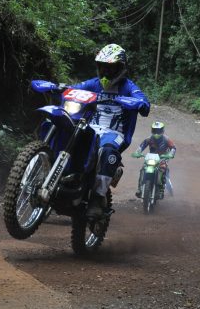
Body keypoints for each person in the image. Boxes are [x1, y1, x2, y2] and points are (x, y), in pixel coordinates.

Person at [71, 43, 150, 217]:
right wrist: (61, 89)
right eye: (102, 67)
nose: (105, 72)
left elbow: (144, 103)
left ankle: (98, 197)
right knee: (69, 137)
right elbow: (75, 88)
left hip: (115, 133)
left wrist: (140, 103)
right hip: (90, 128)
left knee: (107, 151)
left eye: (110, 68)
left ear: (120, 68)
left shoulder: (128, 87)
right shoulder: (94, 84)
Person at [131, 121, 176, 198]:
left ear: (162, 131)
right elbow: (141, 147)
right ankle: (140, 189)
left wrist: (170, 154)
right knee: (143, 170)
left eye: (158, 131)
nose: (156, 133)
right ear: (152, 130)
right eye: (155, 131)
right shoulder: (149, 139)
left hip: (163, 158)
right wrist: (137, 152)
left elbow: (173, 148)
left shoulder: (167, 139)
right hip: (151, 158)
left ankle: (161, 190)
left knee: (163, 169)